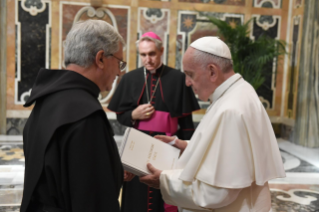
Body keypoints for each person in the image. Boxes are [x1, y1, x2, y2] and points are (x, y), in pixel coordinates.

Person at [140, 36, 286, 212]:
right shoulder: (239, 91)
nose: (187, 82)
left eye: (190, 74)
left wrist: (163, 180)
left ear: (212, 71)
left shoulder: (230, 110)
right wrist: (186, 146)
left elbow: (216, 192)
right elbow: (226, 150)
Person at [21, 20, 125, 212]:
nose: (120, 71)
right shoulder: (86, 115)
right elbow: (93, 201)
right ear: (100, 58)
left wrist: (112, 171)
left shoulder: (46, 100)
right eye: (119, 62)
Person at [108, 32, 200, 212]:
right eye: (143, 55)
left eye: (152, 54)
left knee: (164, 192)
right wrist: (133, 114)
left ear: (161, 51)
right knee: (137, 194)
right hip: (138, 146)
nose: (147, 59)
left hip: (168, 147)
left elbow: (187, 124)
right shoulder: (129, 79)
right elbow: (121, 116)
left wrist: (186, 151)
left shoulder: (178, 79)